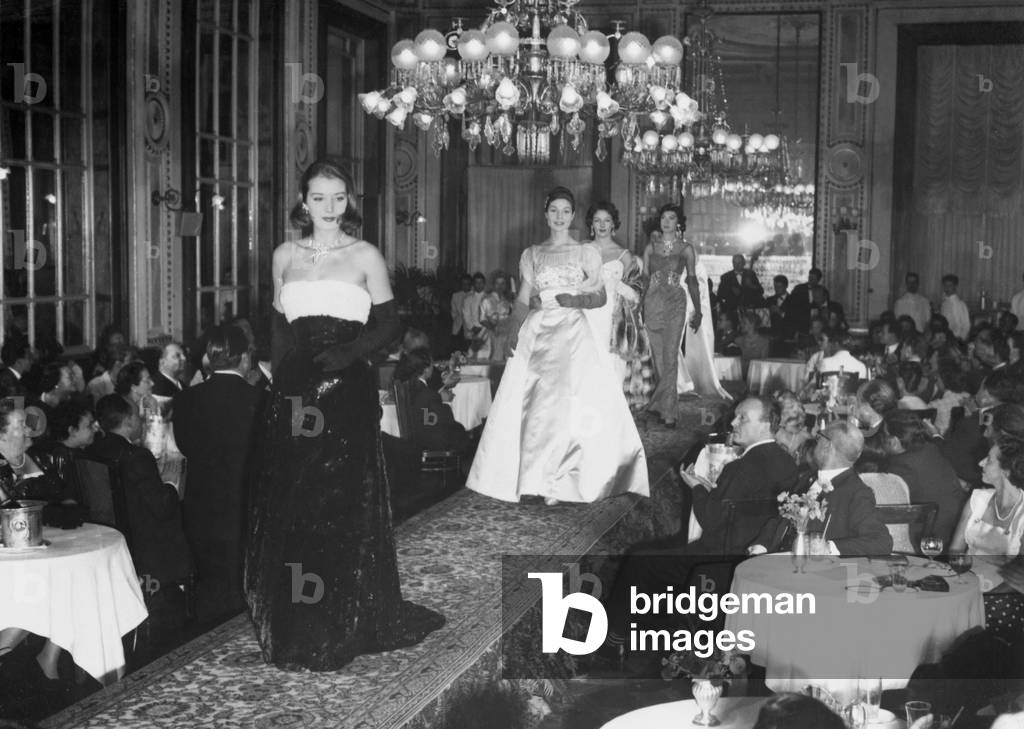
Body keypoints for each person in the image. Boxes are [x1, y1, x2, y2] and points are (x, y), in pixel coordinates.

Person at [245, 159, 443, 672]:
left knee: (339, 501)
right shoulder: (284, 254)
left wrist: (348, 355)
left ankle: (341, 620)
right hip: (295, 392)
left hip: (345, 388)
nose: (330, 208)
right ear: (303, 201)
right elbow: (278, 324)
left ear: (349, 200)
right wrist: (281, 378)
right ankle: (296, 619)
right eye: (319, 198)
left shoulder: (365, 255)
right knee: (296, 500)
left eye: (339, 198)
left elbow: (389, 325)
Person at [465, 187, 649, 504]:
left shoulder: (584, 252)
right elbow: (523, 297)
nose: (560, 217)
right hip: (539, 330)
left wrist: (575, 299)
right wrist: (512, 327)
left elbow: (601, 297)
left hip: (572, 329)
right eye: (555, 211)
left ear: (573, 216)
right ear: (546, 214)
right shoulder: (532, 253)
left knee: (569, 403)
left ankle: (565, 479)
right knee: (535, 405)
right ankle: (534, 478)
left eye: (566, 211)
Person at [173, 325, 264, 624]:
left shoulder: (186, 399)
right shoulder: (261, 400)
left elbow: (184, 446)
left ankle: (208, 623)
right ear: (246, 360)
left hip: (200, 504)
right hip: (246, 505)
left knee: (211, 577)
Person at [881, 410, 967, 546]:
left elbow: (887, 506)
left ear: (895, 442)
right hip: (954, 530)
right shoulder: (931, 449)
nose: (881, 440)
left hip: (928, 537)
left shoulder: (900, 467)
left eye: (883, 435)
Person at [583, 201, 638, 387]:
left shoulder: (624, 255)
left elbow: (636, 295)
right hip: (587, 313)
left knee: (611, 364)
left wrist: (617, 286)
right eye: (597, 220)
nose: (602, 225)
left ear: (613, 224)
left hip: (613, 316)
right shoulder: (582, 250)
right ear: (591, 224)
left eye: (607, 220)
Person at [477, 271, 515, 362]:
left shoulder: (508, 301)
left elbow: (512, 317)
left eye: (502, 283)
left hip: (506, 332)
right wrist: (493, 328)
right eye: (497, 283)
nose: (500, 286)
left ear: (506, 285)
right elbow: (482, 319)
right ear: (493, 285)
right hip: (490, 332)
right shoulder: (486, 300)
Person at [940, 274, 970, 341]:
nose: (947, 288)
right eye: (945, 285)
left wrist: (960, 339)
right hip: (946, 338)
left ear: (955, 286)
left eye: (950, 285)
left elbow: (966, 326)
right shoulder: (944, 303)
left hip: (957, 338)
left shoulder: (960, 304)